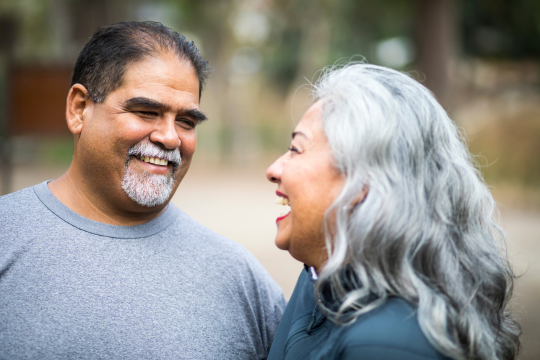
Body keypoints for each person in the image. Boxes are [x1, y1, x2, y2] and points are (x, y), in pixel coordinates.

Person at [0, 21, 285, 359]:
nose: (170, 137)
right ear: (79, 109)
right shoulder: (8, 236)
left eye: (186, 122)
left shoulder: (239, 279)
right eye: (146, 112)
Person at [265, 63, 521, 359]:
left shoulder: (386, 344)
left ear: (362, 183)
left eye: (296, 149)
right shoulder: (319, 280)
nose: (273, 169)